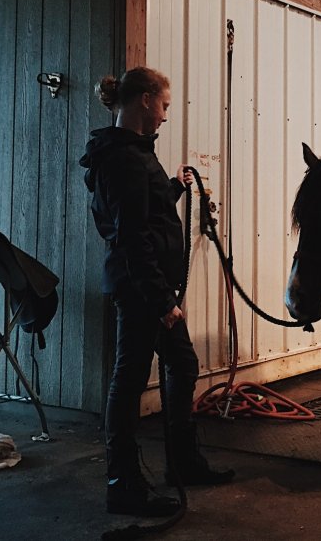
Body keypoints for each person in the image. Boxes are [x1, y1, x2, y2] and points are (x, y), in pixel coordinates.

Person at [80, 66, 234, 517]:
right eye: (164, 105)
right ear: (145, 99)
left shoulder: (131, 153)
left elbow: (142, 211)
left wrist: (172, 187)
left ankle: (181, 463)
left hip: (148, 286)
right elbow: (132, 236)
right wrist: (161, 300)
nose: (166, 115)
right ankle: (123, 484)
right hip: (141, 289)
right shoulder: (125, 157)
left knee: (181, 364)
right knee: (129, 379)